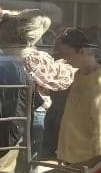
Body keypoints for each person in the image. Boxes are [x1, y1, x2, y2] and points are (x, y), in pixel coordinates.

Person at [0, 10, 74, 161]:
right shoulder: (34, 57)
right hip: (34, 110)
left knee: (12, 151)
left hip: (9, 108)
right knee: (30, 154)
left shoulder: (5, 53)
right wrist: (69, 65)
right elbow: (56, 81)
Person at [55, 27, 101, 166]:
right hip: (71, 159)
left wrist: (96, 168)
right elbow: (71, 117)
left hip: (88, 163)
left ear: (83, 51)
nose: (64, 60)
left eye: (66, 54)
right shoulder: (79, 75)